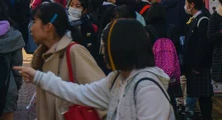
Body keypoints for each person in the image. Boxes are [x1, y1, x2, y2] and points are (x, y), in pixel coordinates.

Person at [15, 19, 175, 120]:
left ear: (121, 48)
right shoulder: (116, 80)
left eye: (106, 46)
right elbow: (78, 93)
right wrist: (38, 77)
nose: (102, 52)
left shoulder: (148, 88)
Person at [26, 3, 105, 119]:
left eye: (34, 22)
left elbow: (100, 93)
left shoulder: (75, 52)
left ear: (48, 26)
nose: (31, 28)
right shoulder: (44, 56)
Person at [145, 2, 183, 110]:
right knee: (171, 97)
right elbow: (178, 49)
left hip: (153, 69)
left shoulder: (147, 29)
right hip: (170, 70)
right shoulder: (172, 28)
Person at [183, 0, 213, 120]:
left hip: (200, 66)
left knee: (204, 95)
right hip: (194, 65)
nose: (185, 6)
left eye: (186, 3)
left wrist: (197, 65)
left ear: (192, 5)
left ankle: (207, 117)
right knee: (199, 93)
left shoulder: (202, 20)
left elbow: (202, 45)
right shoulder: (195, 19)